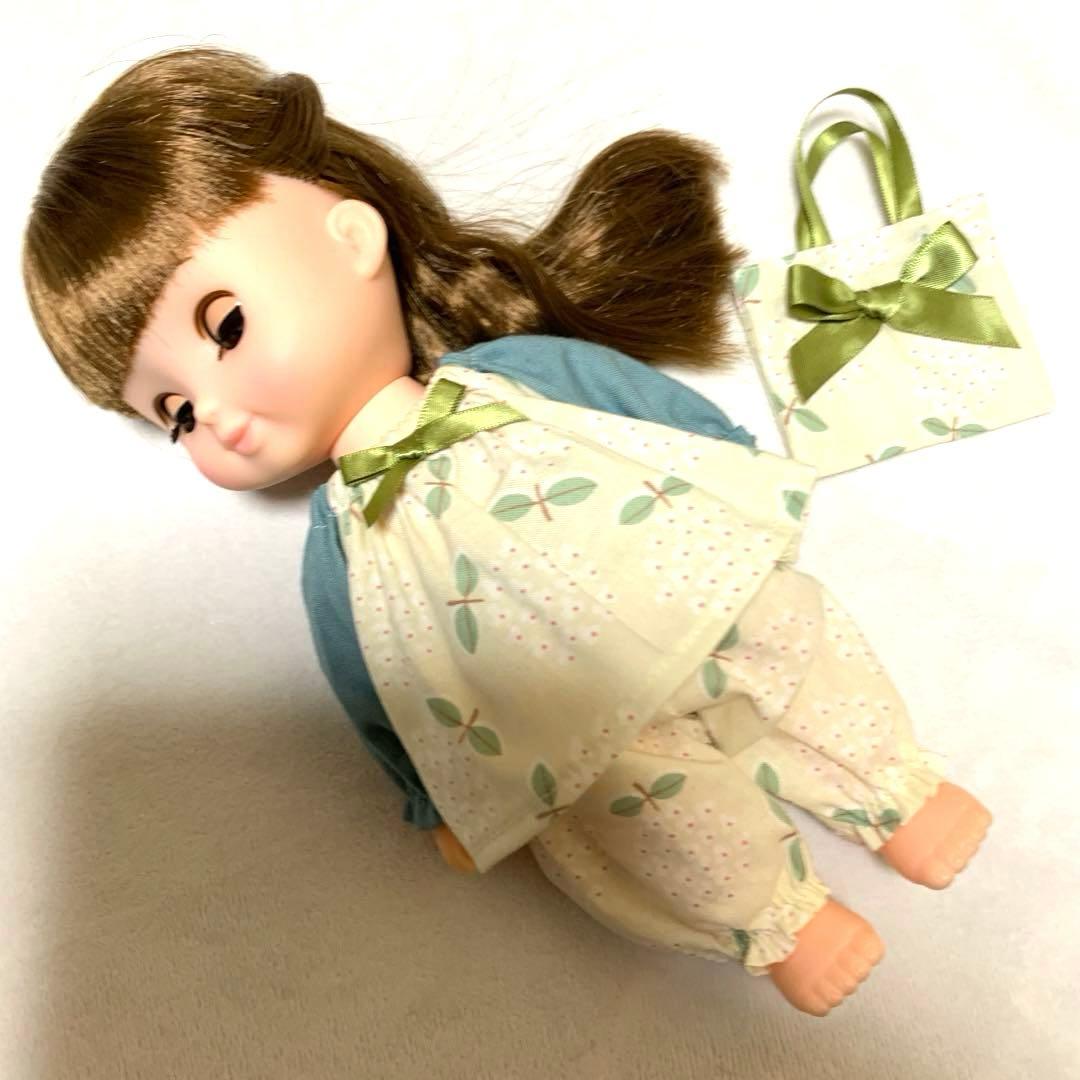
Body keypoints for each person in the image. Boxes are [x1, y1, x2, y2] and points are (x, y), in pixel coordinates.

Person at [22, 45, 990, 1017]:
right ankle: (779, 919)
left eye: (226, 327)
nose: (220, 415)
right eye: (177, 412)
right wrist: (425, 789)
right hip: (554, 699)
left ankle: (893, 787)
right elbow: (370, 679)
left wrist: (720, 457)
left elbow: (619, 397)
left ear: (350, 235)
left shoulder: (508, 378)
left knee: (781, 632)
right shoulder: (344, 542)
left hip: (679, 567)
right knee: (631, 804)